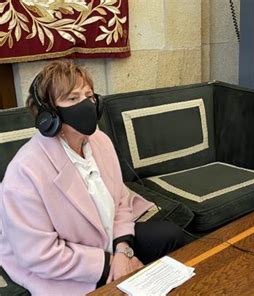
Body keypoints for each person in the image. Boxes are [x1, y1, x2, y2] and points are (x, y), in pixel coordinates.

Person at [0, 60, 185, 295]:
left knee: (171, 236)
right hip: (64, 266)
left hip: (108, 240)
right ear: (49, 115)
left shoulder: (100, 140)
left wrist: (123, 251)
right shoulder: (25, 171)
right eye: (72, 98)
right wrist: (109, 264)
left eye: (89, 96)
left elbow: (120, 202)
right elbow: (40, 255)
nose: (86, 104)